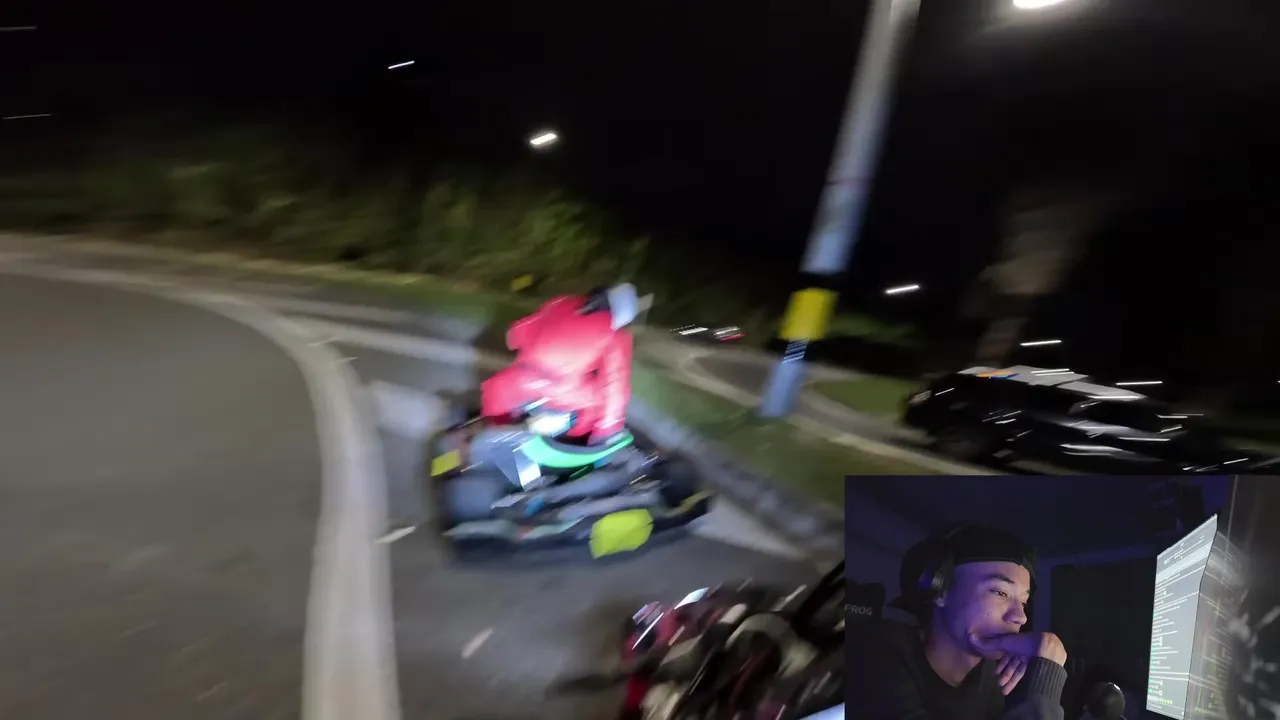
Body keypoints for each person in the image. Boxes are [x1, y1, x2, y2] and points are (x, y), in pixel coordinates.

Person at [847, 523, 1069, 720]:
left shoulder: (997, 672)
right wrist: (1045, 682)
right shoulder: (875, 650)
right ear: (940, 591)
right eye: (1000, 592)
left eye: (1023, 602)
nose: (1020, 617)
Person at [480, 282, 639, 445]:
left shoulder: (561, 303)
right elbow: (615, 385)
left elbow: (514, 336)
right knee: (599, 398)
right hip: (556, 399)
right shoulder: (616, 335)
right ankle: (570, 437)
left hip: (512, 386)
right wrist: (609, 429)